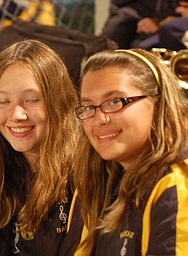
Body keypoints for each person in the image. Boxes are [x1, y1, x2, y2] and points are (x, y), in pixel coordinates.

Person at [0, 39, 82, 255]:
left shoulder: (84, 173)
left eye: (32, 99)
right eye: (3, 101)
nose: (17, 115)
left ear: (58, 101)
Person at [72, 48, 188, 255]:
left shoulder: (178, 184)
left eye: (115, 101)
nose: (99, 119)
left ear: (158, 103)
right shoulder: (102, 178)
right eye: (88, 107)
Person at [100, 0, 180, 49]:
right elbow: (118, 3)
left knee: (141, 47)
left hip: (171, 21)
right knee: (109, 40)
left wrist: (159, 23)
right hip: (133, 12)